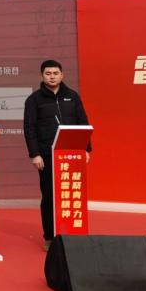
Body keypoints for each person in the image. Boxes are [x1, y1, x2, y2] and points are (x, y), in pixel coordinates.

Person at [23, 59, 91, 250]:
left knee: (72, 195)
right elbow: (29, 128)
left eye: (55, 73)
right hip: (47, 155)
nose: (52, 77)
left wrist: (86, 149)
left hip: (71, 155)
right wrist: (35, 154)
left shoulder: (73, 96)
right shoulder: (34, 100)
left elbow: (83, 123)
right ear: (42, 76)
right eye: (48, 73)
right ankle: (50, 237)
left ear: (62, 75)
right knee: (49, 197)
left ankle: (73, 235)